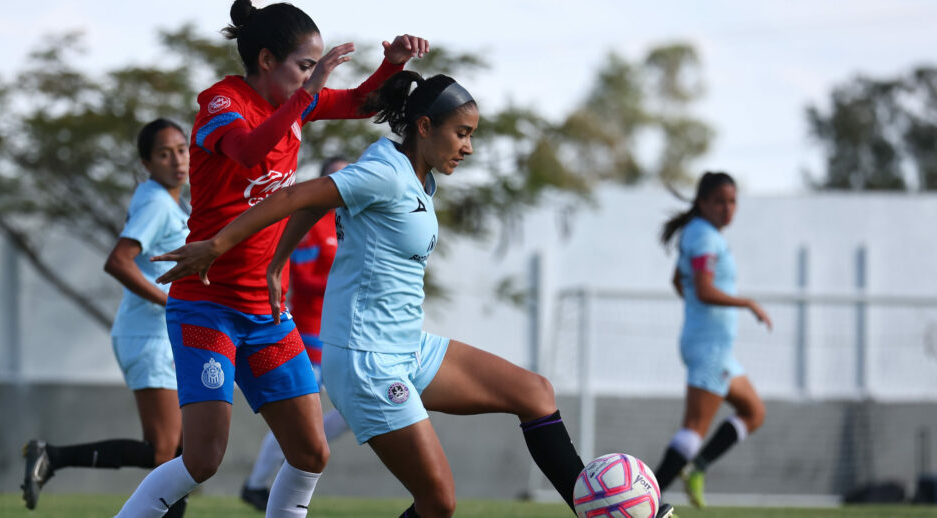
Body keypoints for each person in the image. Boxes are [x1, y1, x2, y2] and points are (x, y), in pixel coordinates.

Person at [152, 72, 675, 518]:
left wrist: (276, 263)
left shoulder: (419, 175)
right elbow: (295, 196)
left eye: (471, 135)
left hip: (408, 347)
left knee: (534, 392)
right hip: (368, 362)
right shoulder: (385, 171)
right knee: (438, 503)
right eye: (461, 134)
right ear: (424, 128)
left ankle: (599, 508)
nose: (467, 147)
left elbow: (317, 203)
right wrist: (220, 246)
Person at [112, 1, 428, 516]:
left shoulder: (295, 100)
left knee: (310, 452)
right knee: (203, 459)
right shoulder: (221, 102)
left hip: (265, 311)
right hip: (206, 307)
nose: (313, 77)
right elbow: (249, 152)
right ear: (265, 60)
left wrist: (392, 64)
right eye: (305, 65)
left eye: (314, 67)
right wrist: (308, 92)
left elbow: (361, 102)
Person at [20, 118, 191, 516]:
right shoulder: (155, 202)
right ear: (147, 162)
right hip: (149, 336)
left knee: (182, 452)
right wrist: (170, 302)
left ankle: (54, 456)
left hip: (159, 336)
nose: (176, 160)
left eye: (181, 149)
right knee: (166, 452)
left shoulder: (169, 201)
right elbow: (118, 261)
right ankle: (53, 456)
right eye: (164, 154)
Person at [652, 171, 771, 509]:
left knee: (754, 412)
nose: (727, 208)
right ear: (702, 203)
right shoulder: (704, 237)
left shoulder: (699, 233)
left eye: (732, 201)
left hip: (715, 348)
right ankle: (645, 500)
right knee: (693, 429)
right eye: (719, 201)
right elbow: (702, 289)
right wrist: (747, 303)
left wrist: (697, 309)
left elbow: (679, 280)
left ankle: (697, 469)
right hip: (709, 349)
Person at [240, 157, 352, 511]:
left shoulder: (351, 221)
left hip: (342, 333)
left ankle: (266, 481)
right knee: (302, 420)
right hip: (308, 333)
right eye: (335, 177)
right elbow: (301, 278)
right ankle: (258, 484)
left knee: (350, 410)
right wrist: (343, 281)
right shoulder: (310, 225)